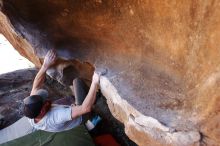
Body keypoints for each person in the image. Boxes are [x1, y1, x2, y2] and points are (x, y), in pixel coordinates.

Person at [23, 49, 101, 132]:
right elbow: (85, 109)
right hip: (82, 116)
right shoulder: (56, 117)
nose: (45, 98)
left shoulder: (31, 110)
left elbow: (36, 85)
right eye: (43, 100)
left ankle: (87, 99)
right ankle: (94, 97)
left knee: (70, 100)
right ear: (42, 111)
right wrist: (94, 82)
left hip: (62, 111)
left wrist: (45, 65)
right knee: (77, 81)